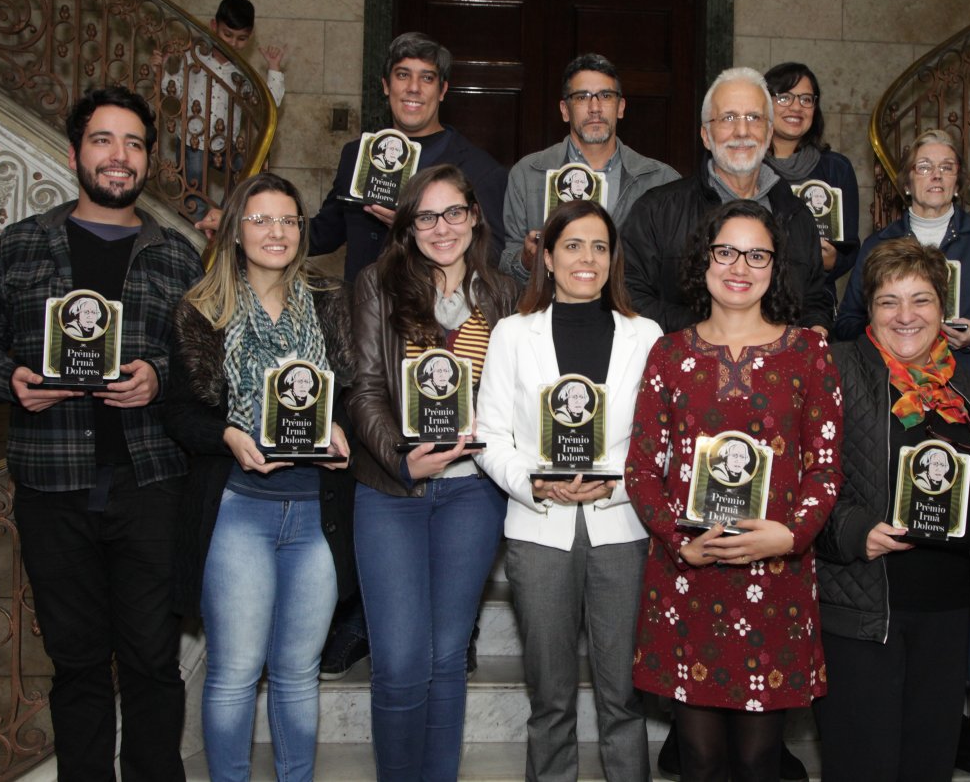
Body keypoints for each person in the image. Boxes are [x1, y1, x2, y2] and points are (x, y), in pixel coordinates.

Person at [0, 86, 203, 781]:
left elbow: (203, 365)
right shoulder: (24, 242)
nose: (118, 156)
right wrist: (9, 378)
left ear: (148, 161)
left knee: (155, 661)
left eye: (133, 143)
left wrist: (158, 374)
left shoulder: (177, 255)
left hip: (151, 484)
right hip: (50, 484)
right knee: (78, 663)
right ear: (75, 153)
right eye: (103, 140)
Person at [626, 199, 842, 782]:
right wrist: (677, 540)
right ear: (704, 261)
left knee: (758, 760)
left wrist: (790, 535)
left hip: (775, 578)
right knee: (697, 757)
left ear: (775, 267)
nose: (739, 266)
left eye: (756, 254)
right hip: (688, 576)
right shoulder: (668, 353)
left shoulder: (809, 353)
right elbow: (643, 467)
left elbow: (825, 468)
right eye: (726, 251)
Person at [163, 172, 356, 781]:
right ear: (236, 229)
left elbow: (347, 395)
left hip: (314, 514)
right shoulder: (202, 309)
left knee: (299, 672)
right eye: (262, 219)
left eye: (290, 221)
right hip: (238, 511)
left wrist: (341, 427)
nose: (278, 232)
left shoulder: (330, 301)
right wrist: (227, 436)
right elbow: (178, 413)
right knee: (236, 671)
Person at [476, 200, 662, 782]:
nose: (588, 258)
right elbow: (489, 434)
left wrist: (619, 485)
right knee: (551, 697)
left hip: (622, 527)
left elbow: (660, 439)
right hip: (538, 529)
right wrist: (534, 483)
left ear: (613, 260)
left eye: (600, 247)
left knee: (622, 697)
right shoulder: (512, 333)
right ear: (548, 257)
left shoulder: (647, 334)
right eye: (574, 245)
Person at [347, 163, 518, 780]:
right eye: (426, 215)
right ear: (408, 225)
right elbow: (364, 387)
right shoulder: (377, 283)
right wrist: (399, 454)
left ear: (474, 216)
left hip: (473, 492)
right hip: (393, 488)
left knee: (447, 656)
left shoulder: (503, 294)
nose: (441, 227)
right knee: (397, 659)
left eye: (454, 212)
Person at [812, 238, 970, 782]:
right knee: (860, 767)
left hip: (945, 610)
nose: (906, 316)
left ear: (943, 308)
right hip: (864, 608)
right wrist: (851, 529)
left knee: (928, 765)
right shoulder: (837, 370)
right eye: (889, 301)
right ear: (868, 309)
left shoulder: (961, 383)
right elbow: (801, 476)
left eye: (921, 300)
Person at [622, 67, 832, 337]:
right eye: (728, 118)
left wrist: (816, 327)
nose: (742, 131)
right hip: (683, 367)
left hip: (777, 372)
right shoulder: (657, 210)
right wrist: (707, 333)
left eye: (754, 118)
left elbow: (816, 297)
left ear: (768, 134)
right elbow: (628, 294)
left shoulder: (796, 214)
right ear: (706, 135)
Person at [834, 128, 970, 401]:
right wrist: (887, 330)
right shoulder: (879, 244)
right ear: (907, 183)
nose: (936, 174)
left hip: (968, 387)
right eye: (924, 166)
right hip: (892, 390)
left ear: (957, 184)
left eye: (947, 167)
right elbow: (847, 323)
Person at [311, 32, 508, 278]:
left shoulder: (479, 170)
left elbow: (492, 258)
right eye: (403, 75)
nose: (413, 88)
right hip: (362, 311)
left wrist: (415, 228)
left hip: (436, 313)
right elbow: (325, 233)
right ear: (386, 85)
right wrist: (262, 229)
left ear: (442, 90)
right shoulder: (357, 156)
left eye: (427, 78)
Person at [502, 53, 679, 285]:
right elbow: (505, 265)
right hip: (553, 313)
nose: (595, 108)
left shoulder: (661, 181)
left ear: (620, 107)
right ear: (565, 110)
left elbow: (676, 269)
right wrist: (526, 260)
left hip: (631, 314)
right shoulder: (527, 174)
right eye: (582, 97)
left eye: (605, 96)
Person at [154, 0, 287, 227]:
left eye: (242, 38)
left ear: (251, 36)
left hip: (227, 144)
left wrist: (274, 69)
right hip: (192, 140)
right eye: (227, 35)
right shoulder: (194, 59)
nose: (233, 43)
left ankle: (223, 223)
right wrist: (161, 69)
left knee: (247, 176)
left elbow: (268, 104)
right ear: (214, 26)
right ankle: (197, 231)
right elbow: (173, 89)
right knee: (192, 193)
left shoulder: (242, 73)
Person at [763, 62, 861, 305]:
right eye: (785, 97)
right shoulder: (746, 166)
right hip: (752, 297)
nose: (797, 107)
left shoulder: (836, 168)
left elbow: (849, 247)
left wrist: (832, 261)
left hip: (813, 300)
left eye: (806, 99)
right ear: (763, 103)